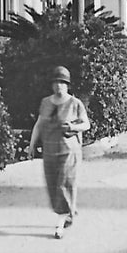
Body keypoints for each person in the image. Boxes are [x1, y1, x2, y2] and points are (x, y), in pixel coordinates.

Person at [29, 66, 91, 238]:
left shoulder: (75, 104)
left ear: (68, 85)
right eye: (56, 82)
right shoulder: (45, 102)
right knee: (53, 185)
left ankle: (60, 223)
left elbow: (86, 124)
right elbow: (39, 124)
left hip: (69, 151)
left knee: (63, 185)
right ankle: (68, 211)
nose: (59, 86)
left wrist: (72, 127)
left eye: (62, 83)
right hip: (50, 151)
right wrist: (31, 145)